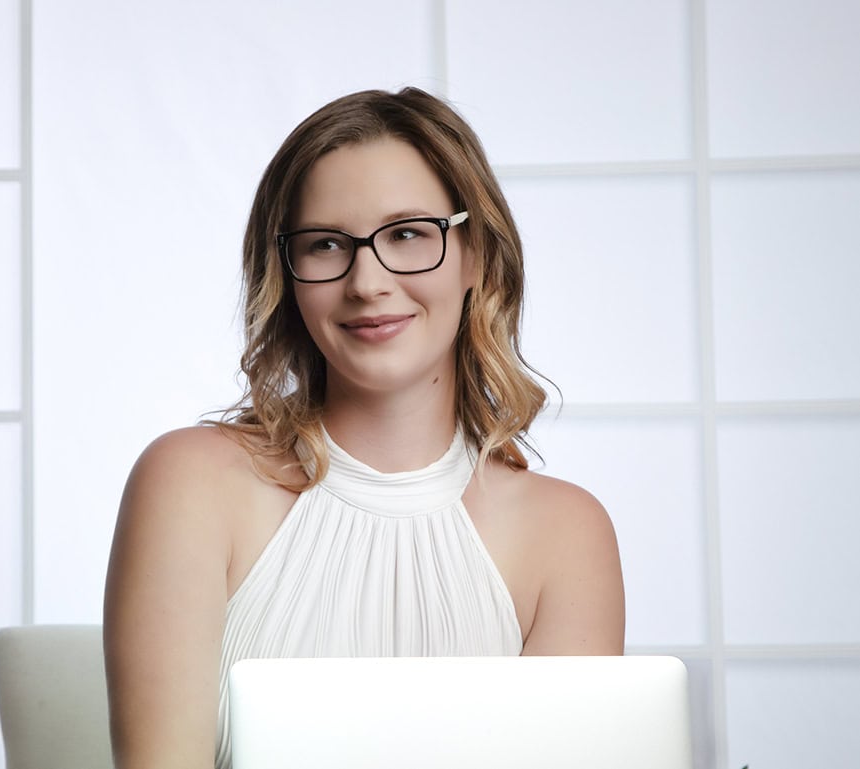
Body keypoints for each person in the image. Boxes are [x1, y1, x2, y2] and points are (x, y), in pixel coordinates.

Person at [103, 87, 625, 769]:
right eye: (325, 245)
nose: (367, 281)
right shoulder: (190, 482)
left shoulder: (566, 534)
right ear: (287, 277)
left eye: (407, 233)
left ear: (475, 256)